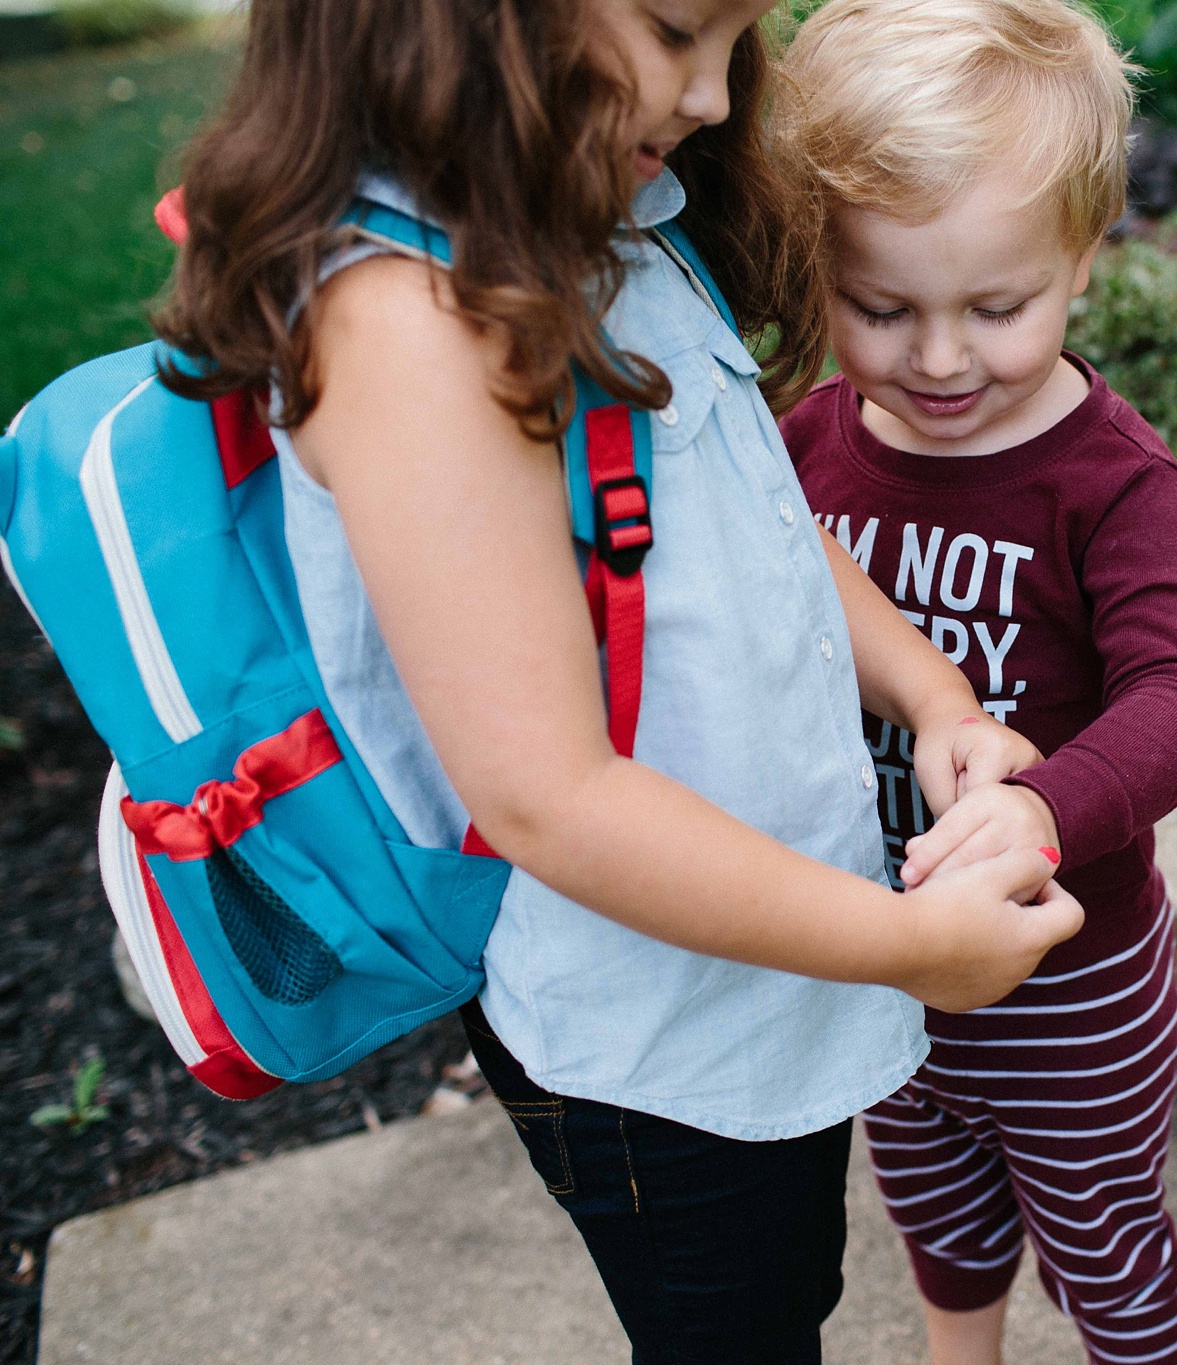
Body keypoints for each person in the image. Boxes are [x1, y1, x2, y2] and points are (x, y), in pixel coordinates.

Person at [151, 1, 1085, 1360]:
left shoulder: (600, 212)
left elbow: (749, 524)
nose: (711, 96)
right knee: (735, 1326)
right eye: (674, 28)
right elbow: (548, 797)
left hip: (758, 963)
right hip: (655, 1028)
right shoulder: (413, 323)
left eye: (736, 40)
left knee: (782, 1295)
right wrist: (909, 950)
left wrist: (934, 693)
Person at [775, 2, 1177, 1360]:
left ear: (1082, 259)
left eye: (997, 305)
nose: (941, 357)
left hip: (1070, 978)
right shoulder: (806, 443)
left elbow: (1176, 700)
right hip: (883, 956)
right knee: (937, 1223)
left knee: (1109, 1253)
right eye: (881, 306)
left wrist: (1047, 808)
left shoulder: (1111, 481)